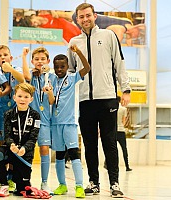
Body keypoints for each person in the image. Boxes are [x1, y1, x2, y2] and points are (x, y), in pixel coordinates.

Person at [67, 3, 131, 198]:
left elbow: (119, 63)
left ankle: (114, 183)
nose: (85, 19)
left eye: (88, 15)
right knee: (89, 143)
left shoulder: (108, 36)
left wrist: (125, 89)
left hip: (108, 98)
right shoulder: (73, 42)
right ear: (77, 19)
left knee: (109, 142)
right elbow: (70, 71)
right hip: (86, 100)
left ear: (94, 16)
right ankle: (93, 182)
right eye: (81, 17)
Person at [45, 47, 90, 198]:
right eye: (56, 66)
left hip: (69, 123)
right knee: (59, 155)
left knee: (74, 153)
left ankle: (79, 186)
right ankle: (62, 184)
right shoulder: (50, 78)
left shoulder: (73, 78)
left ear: (67, 66)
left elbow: (87, 67)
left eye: (62, 66)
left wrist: (78, 52)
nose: (59, 69)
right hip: (55, 123)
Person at [0, 82, 40, 197]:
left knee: (21, 191)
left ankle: (19, 180)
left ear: (31, 99)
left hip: (25, 153)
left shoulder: (35, 115)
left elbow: (33, 138)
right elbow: (7, 135)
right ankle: (4, 184)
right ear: (14, 97)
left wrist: (24, 148)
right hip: (12, 150)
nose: (22, 99)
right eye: (19, 96)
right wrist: (12, 145)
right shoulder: (8, 114)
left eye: (26, 97)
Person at [22, 46, 56, 194]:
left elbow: (51, 101)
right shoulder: (30, 75)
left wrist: (49, 93)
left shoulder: (52, 77)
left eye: (43, 59)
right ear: (32, 61)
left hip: (45, 120)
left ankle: (44, 182)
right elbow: (25, 76)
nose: (40, 61)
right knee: (27, 150)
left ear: (48, 61)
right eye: (36, 59)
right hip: (30, 120)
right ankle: (24, 180)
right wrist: (23, 56)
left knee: (44, 149)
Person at [0, 45, 25, 193]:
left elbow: (23, 79)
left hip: (16, 114)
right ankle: (3, 178)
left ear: (11, 58)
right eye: (0, 56)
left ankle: (12, 177)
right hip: (1, 114)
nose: (3, 57)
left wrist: (10, 69)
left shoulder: (15, 69)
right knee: (3, 145)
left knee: (15, 145)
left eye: (6, 55)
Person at [105, 96, 132, 172]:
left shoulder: (111, 109)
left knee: (111, 148)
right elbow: (124, 120)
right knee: (124, 149)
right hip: (121, 130)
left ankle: (107, 164)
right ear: (120, 100)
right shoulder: (123, 109)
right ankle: (127, 166)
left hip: (113, 130)